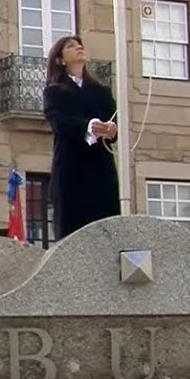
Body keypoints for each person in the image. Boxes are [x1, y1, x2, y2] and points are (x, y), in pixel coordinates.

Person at [42, 35, 120, 240]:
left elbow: (114, 120)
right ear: (60, 59)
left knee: (106, 229)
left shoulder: (101, 92)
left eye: (80, 45)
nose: (78, 48)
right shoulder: (54, 92)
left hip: (101, 168)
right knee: (72, 230)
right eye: (71, 46)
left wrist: (112, 130)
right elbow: (58, 121)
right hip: (70, 169)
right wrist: (87, 126)